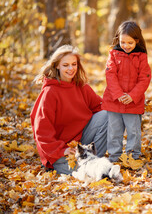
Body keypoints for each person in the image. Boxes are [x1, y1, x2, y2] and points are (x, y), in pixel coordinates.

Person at [30, 45, 108, 175]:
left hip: (81, 144)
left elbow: (101, 106)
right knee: (89, 174)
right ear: (57, 66)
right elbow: (42, 132)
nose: (71, 69)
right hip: (60, 152)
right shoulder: (50, 92)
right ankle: (85, 168)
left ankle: (94, 160)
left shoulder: (81, 86)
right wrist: (62, 150)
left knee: (107, 115)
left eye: (74, 64)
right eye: (65, 65)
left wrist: (125, 106)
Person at [102, 21, 151, 162]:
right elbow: (110, 75)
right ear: (118, 39)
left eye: (130, 43)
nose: (126, 46)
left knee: (133, 132)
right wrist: (118, 95)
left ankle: (132, 157)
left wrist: (132, 96)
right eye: (123, 42)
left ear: (137, 40)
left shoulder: (141, 57)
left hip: (133, 102)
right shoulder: (113, 54)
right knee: (114, 131)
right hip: (114, 101)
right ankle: (114, 157)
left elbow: (144, 79)